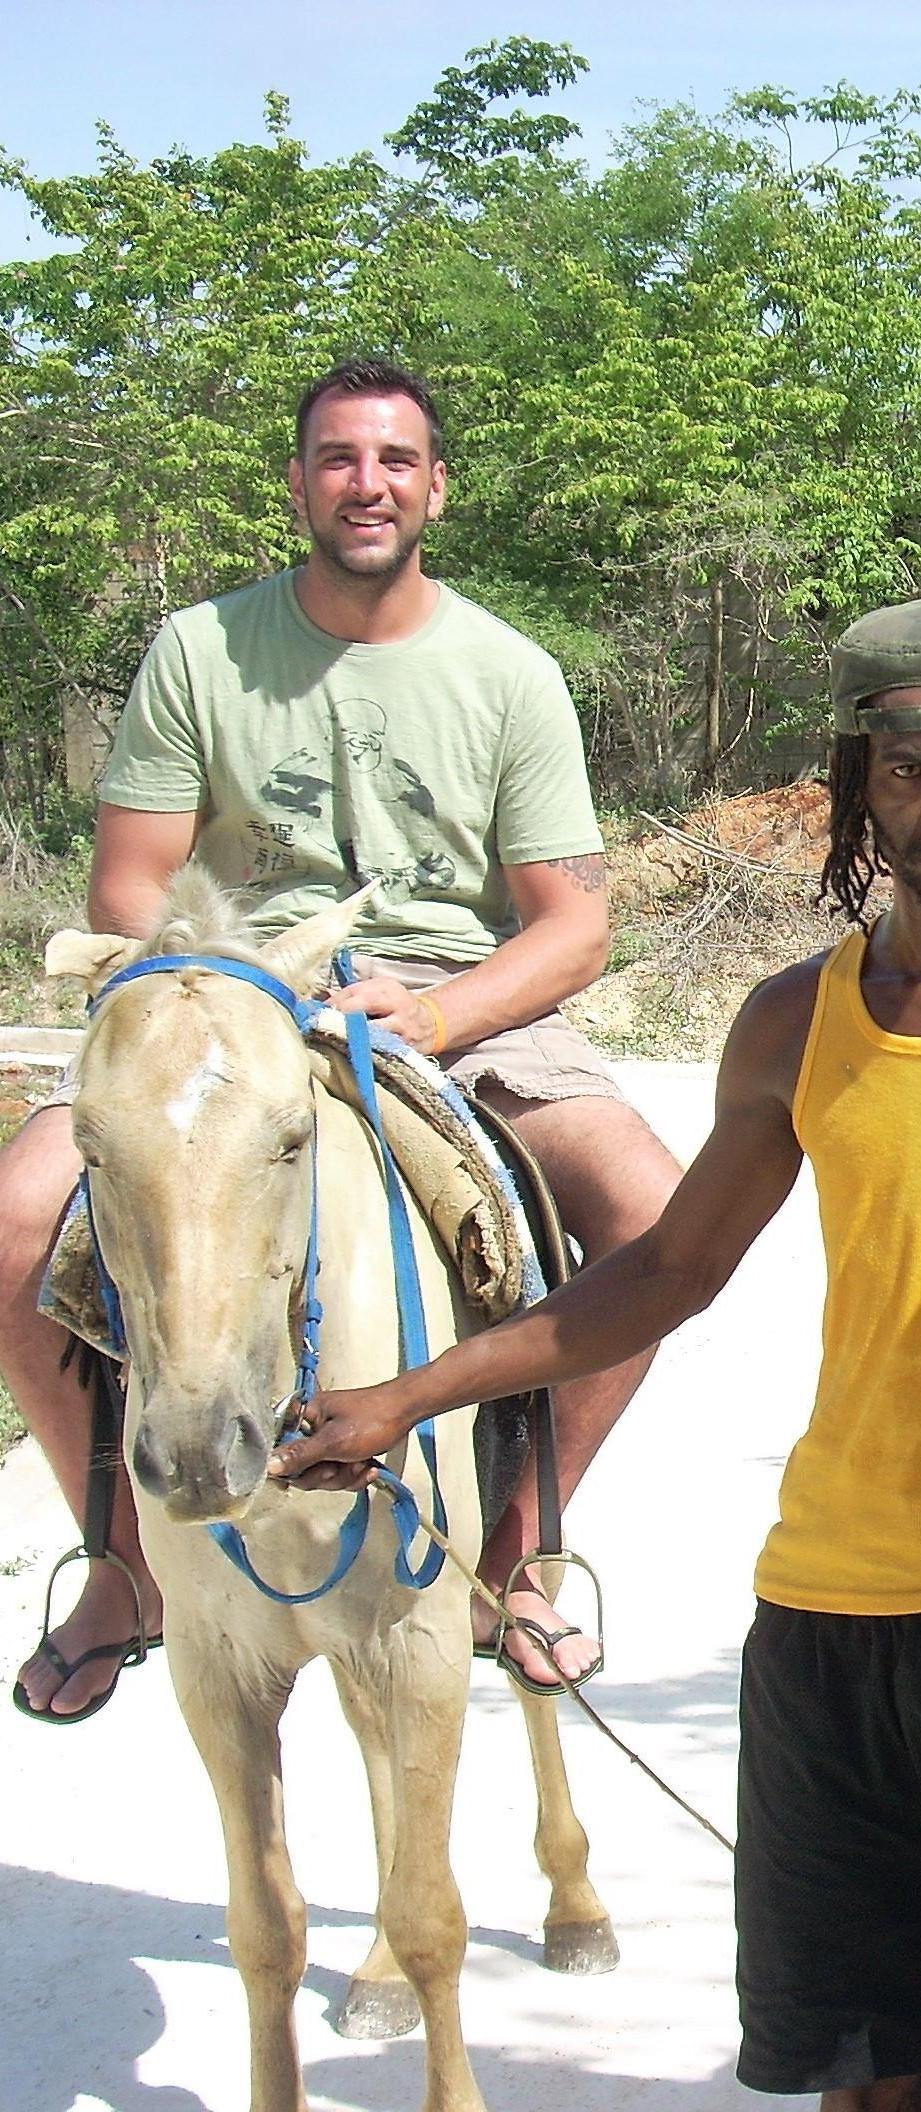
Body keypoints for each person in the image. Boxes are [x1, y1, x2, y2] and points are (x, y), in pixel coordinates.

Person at [270, 594, 921, 2111]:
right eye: (910, 771)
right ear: (856, 782)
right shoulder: (793, 1020)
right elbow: (668, 1268)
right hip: (823, 1613)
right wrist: (404, 1399)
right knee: (862, 2074)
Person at [4, 358, 681, 1718]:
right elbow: (129, 889)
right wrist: (233, 985)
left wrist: (429, 1012)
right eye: (335, 458)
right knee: (15, 1213)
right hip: (223, 990)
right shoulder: (200, 649)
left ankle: (520, 1553)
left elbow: (571, 927)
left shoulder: (509, 672)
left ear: (434, 485)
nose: (363, 484)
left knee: (651, 1209)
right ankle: (123, 1563)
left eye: (392, 461)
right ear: (300, 481)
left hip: (447, 996)